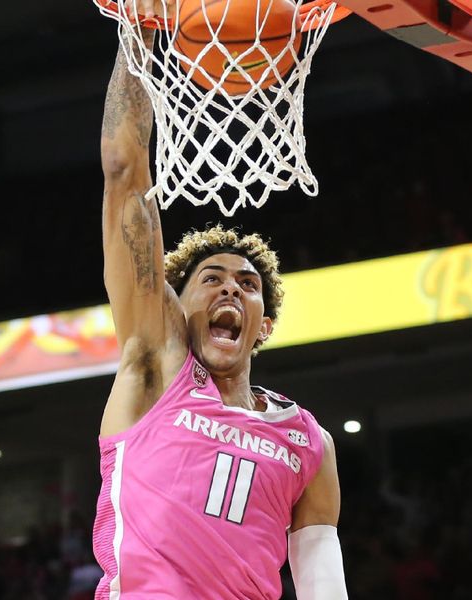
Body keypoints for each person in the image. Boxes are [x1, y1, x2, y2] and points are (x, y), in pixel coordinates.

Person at [92, 26, 348, 600]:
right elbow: (121, 169)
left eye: (247, 285)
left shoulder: (309, 441)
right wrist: (139, 32)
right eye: (211, 280)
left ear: (267, 324)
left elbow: (321, 579)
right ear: (176, 310)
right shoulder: (155, 369)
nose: (230, 291)